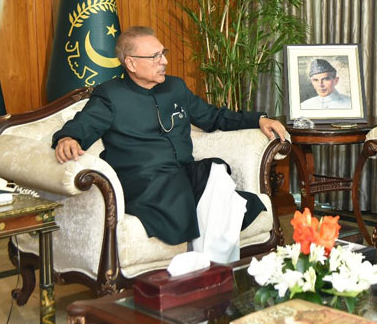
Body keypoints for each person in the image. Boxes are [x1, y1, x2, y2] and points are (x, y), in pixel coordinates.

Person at [52, 26, 287, 257]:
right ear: (131, 63)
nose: (163, 61)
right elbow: (83, 125)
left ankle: (207, 269)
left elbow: (213, 116)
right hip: (144, 182)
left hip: (183, 173)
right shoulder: (110, 95)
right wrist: (67, 138)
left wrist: (258, 120)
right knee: (221, 203)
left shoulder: (175, 87)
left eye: (163, 53)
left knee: (215, 172)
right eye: (155, 56)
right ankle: (213, 269)